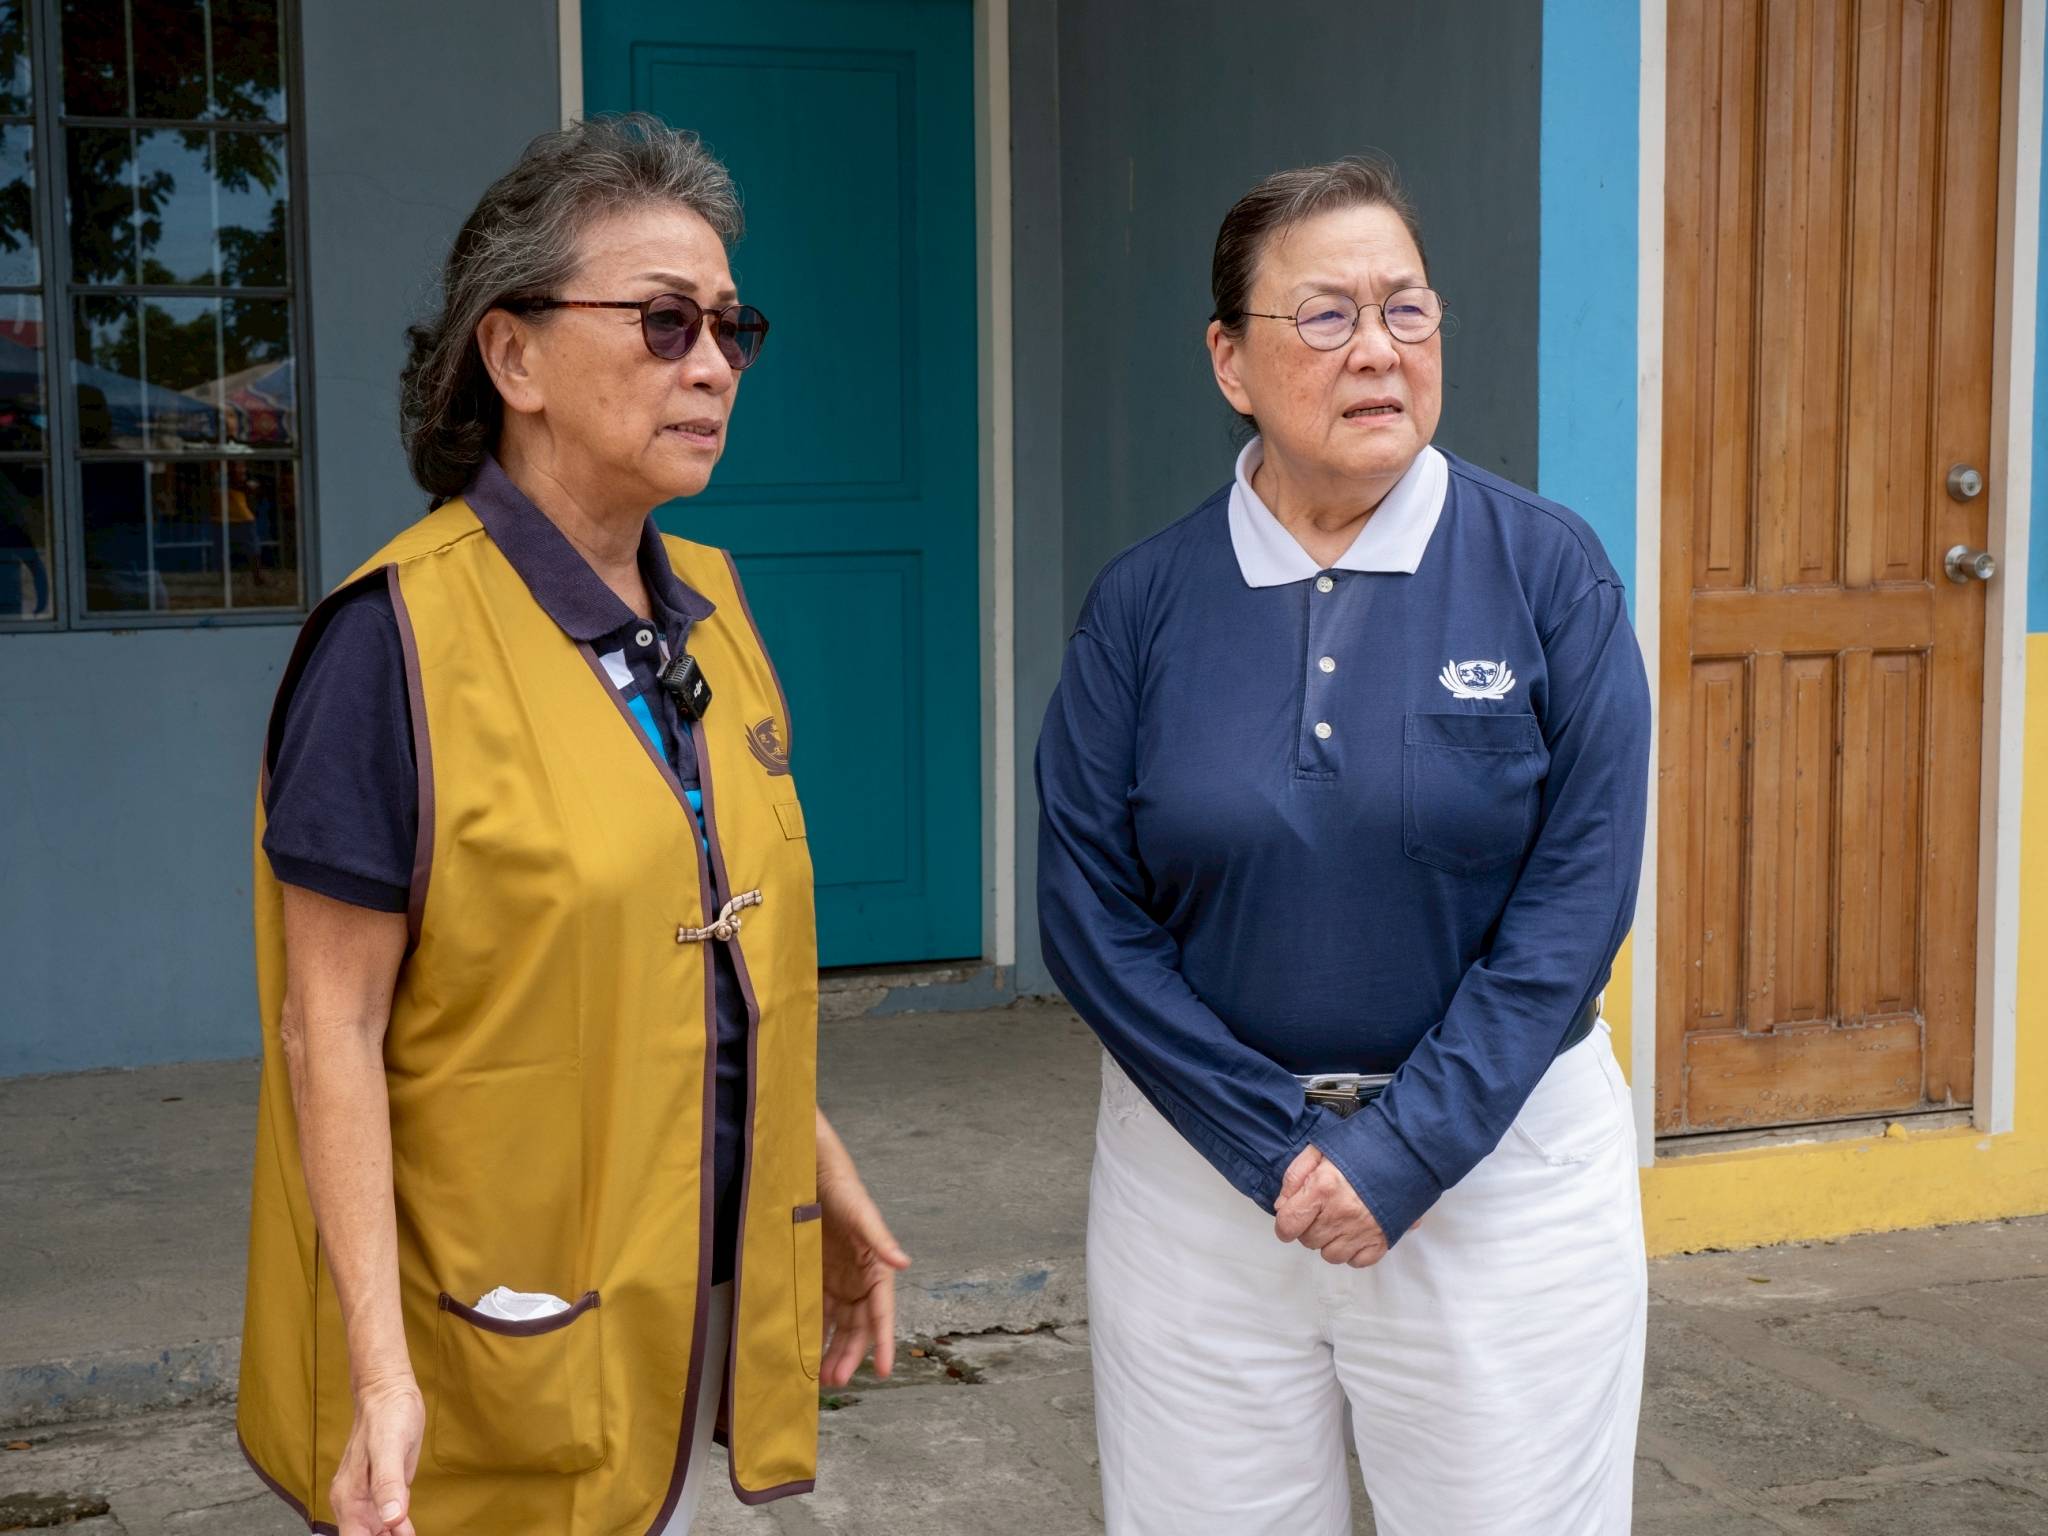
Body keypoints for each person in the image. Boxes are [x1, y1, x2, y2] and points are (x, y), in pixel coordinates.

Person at [239, 115, 909, 1536]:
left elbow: (703, 941)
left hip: (695, 1295)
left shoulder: (712, 605)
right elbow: (329, 1026)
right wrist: (375, 1368)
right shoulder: (394, 646)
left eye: (732, 326)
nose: (714, 363)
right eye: (665, 322)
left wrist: (813, 1160)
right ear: (515, 356)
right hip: (487, 1339)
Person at [1036, 155, 1652, 1535]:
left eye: (1407, 310)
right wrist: (1272, 1150)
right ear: (1230, 360)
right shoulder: (1143, 605)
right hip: (1200, 1193)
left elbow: (1576, 902)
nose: (1378, 349)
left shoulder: (1550, 573)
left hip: (1499, 1189)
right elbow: (1087, 911)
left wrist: (1403, 1152)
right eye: (1326, 316)